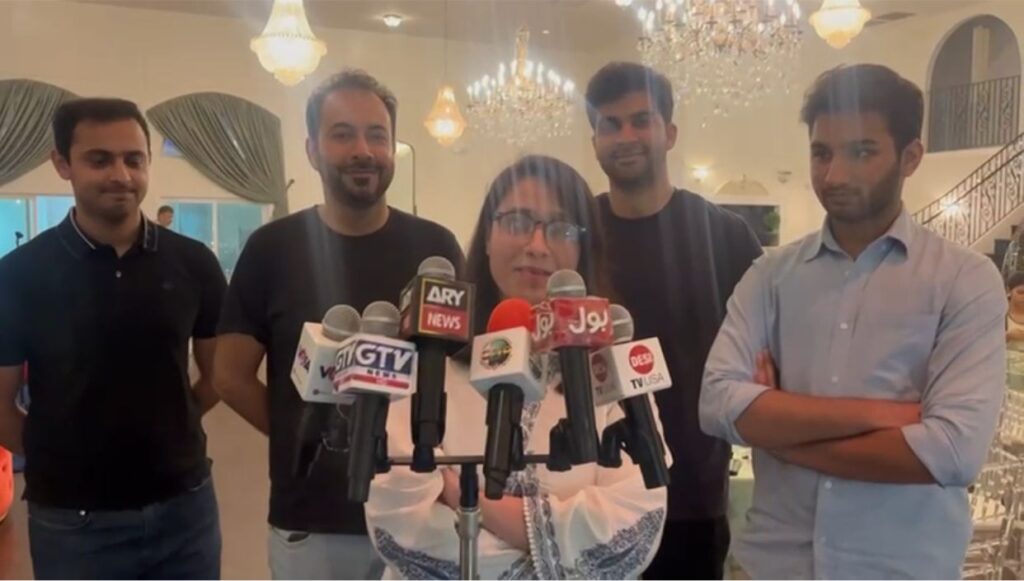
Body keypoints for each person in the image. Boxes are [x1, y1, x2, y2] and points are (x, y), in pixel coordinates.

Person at [700, 63, 1007, 579]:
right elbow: (716, 403)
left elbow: (952, 453)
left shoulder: (964, 280)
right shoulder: (770, 275)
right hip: (769, 565)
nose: (834, 176)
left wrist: (776, 431)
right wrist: (883, 415)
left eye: (862, 152)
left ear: (911, 157)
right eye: (822, 153)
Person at [365, 155, 668, 579]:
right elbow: (399, 519)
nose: (537, 245)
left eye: (561, 228)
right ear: (487, 237)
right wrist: (555, 544)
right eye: (517, 221)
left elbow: (636, 522)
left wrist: (468, 499)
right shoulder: (429, 358)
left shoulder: (611, 365)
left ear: (583, 249)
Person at [214, 69, 465, 580]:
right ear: (312, 150)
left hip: (424, 512)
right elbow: (228, 375)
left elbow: (462, 374)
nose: (363, 151)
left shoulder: (436, 249)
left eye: (377, 135)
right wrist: (302, 433)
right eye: (343, 134)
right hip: (314, 523)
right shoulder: (272, 248)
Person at [0, 98, 227, 579]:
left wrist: (172, 426)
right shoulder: (19, 274)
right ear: (62, 164)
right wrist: (59, 452)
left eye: (133, 159)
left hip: (185, 510)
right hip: (73, 521)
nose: (121, 175)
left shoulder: (194, 264)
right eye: (99, 160)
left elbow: (218, 375)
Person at [584, 61, 763, 579]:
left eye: (641, 120)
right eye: (610, 124)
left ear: (670, 132)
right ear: (594, 141)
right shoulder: (574, 235)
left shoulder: (725, 236)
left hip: (691, 498)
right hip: (585, 495)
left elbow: (764, 353)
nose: (626, 136)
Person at [1006, 271, 1024, 390]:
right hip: (1007, 378)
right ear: (1009, 291)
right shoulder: (999, 315)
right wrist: (1007, 336)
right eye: (1020, 292)